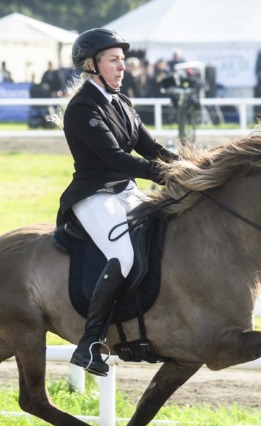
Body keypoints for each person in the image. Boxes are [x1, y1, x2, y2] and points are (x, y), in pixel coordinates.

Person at [57, 28, 177, 376]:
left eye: (123, 60)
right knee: (122, 255)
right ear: (92, 65)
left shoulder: (122, 103)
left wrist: (189, 166)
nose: (122, 67)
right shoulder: (82, 108)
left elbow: (151, 149)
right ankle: (90, 343)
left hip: (125, 191)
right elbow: (115, 158)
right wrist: (164, 175)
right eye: (114, 60)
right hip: (95, 195)